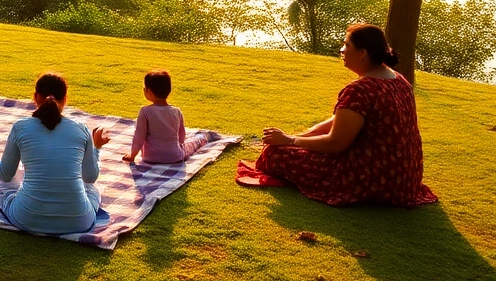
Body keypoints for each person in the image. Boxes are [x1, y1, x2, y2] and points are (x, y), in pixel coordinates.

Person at [248, 24, 438, 207]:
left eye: (346, 45)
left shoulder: (360, 90)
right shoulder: (398, 80)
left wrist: (290, 141)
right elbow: (343, 121)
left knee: (274, 154)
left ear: (362, 53)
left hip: (371, 178)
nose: (342, 50)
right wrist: (301, 136)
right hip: (405, 178)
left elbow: (335, 144)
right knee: (289, 146)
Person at [0, 73, 110, 235]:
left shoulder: (21, 127)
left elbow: (5, 174)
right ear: (65, 99)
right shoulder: (81, 129)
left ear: (35, 97)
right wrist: (96, 147)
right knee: (91, 189)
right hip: (79, 221)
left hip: (27, 218)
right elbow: (90, 178)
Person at [122, 70, 217, 164]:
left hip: (150, 157)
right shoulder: (176, 111)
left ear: (149, 92)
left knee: (191, 143)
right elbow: (181, 136)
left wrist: (132, 155)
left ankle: (202, 137)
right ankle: (205, 136)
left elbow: (139, 136)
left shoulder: (145, 111)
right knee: (193, 143)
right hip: (175, 156)